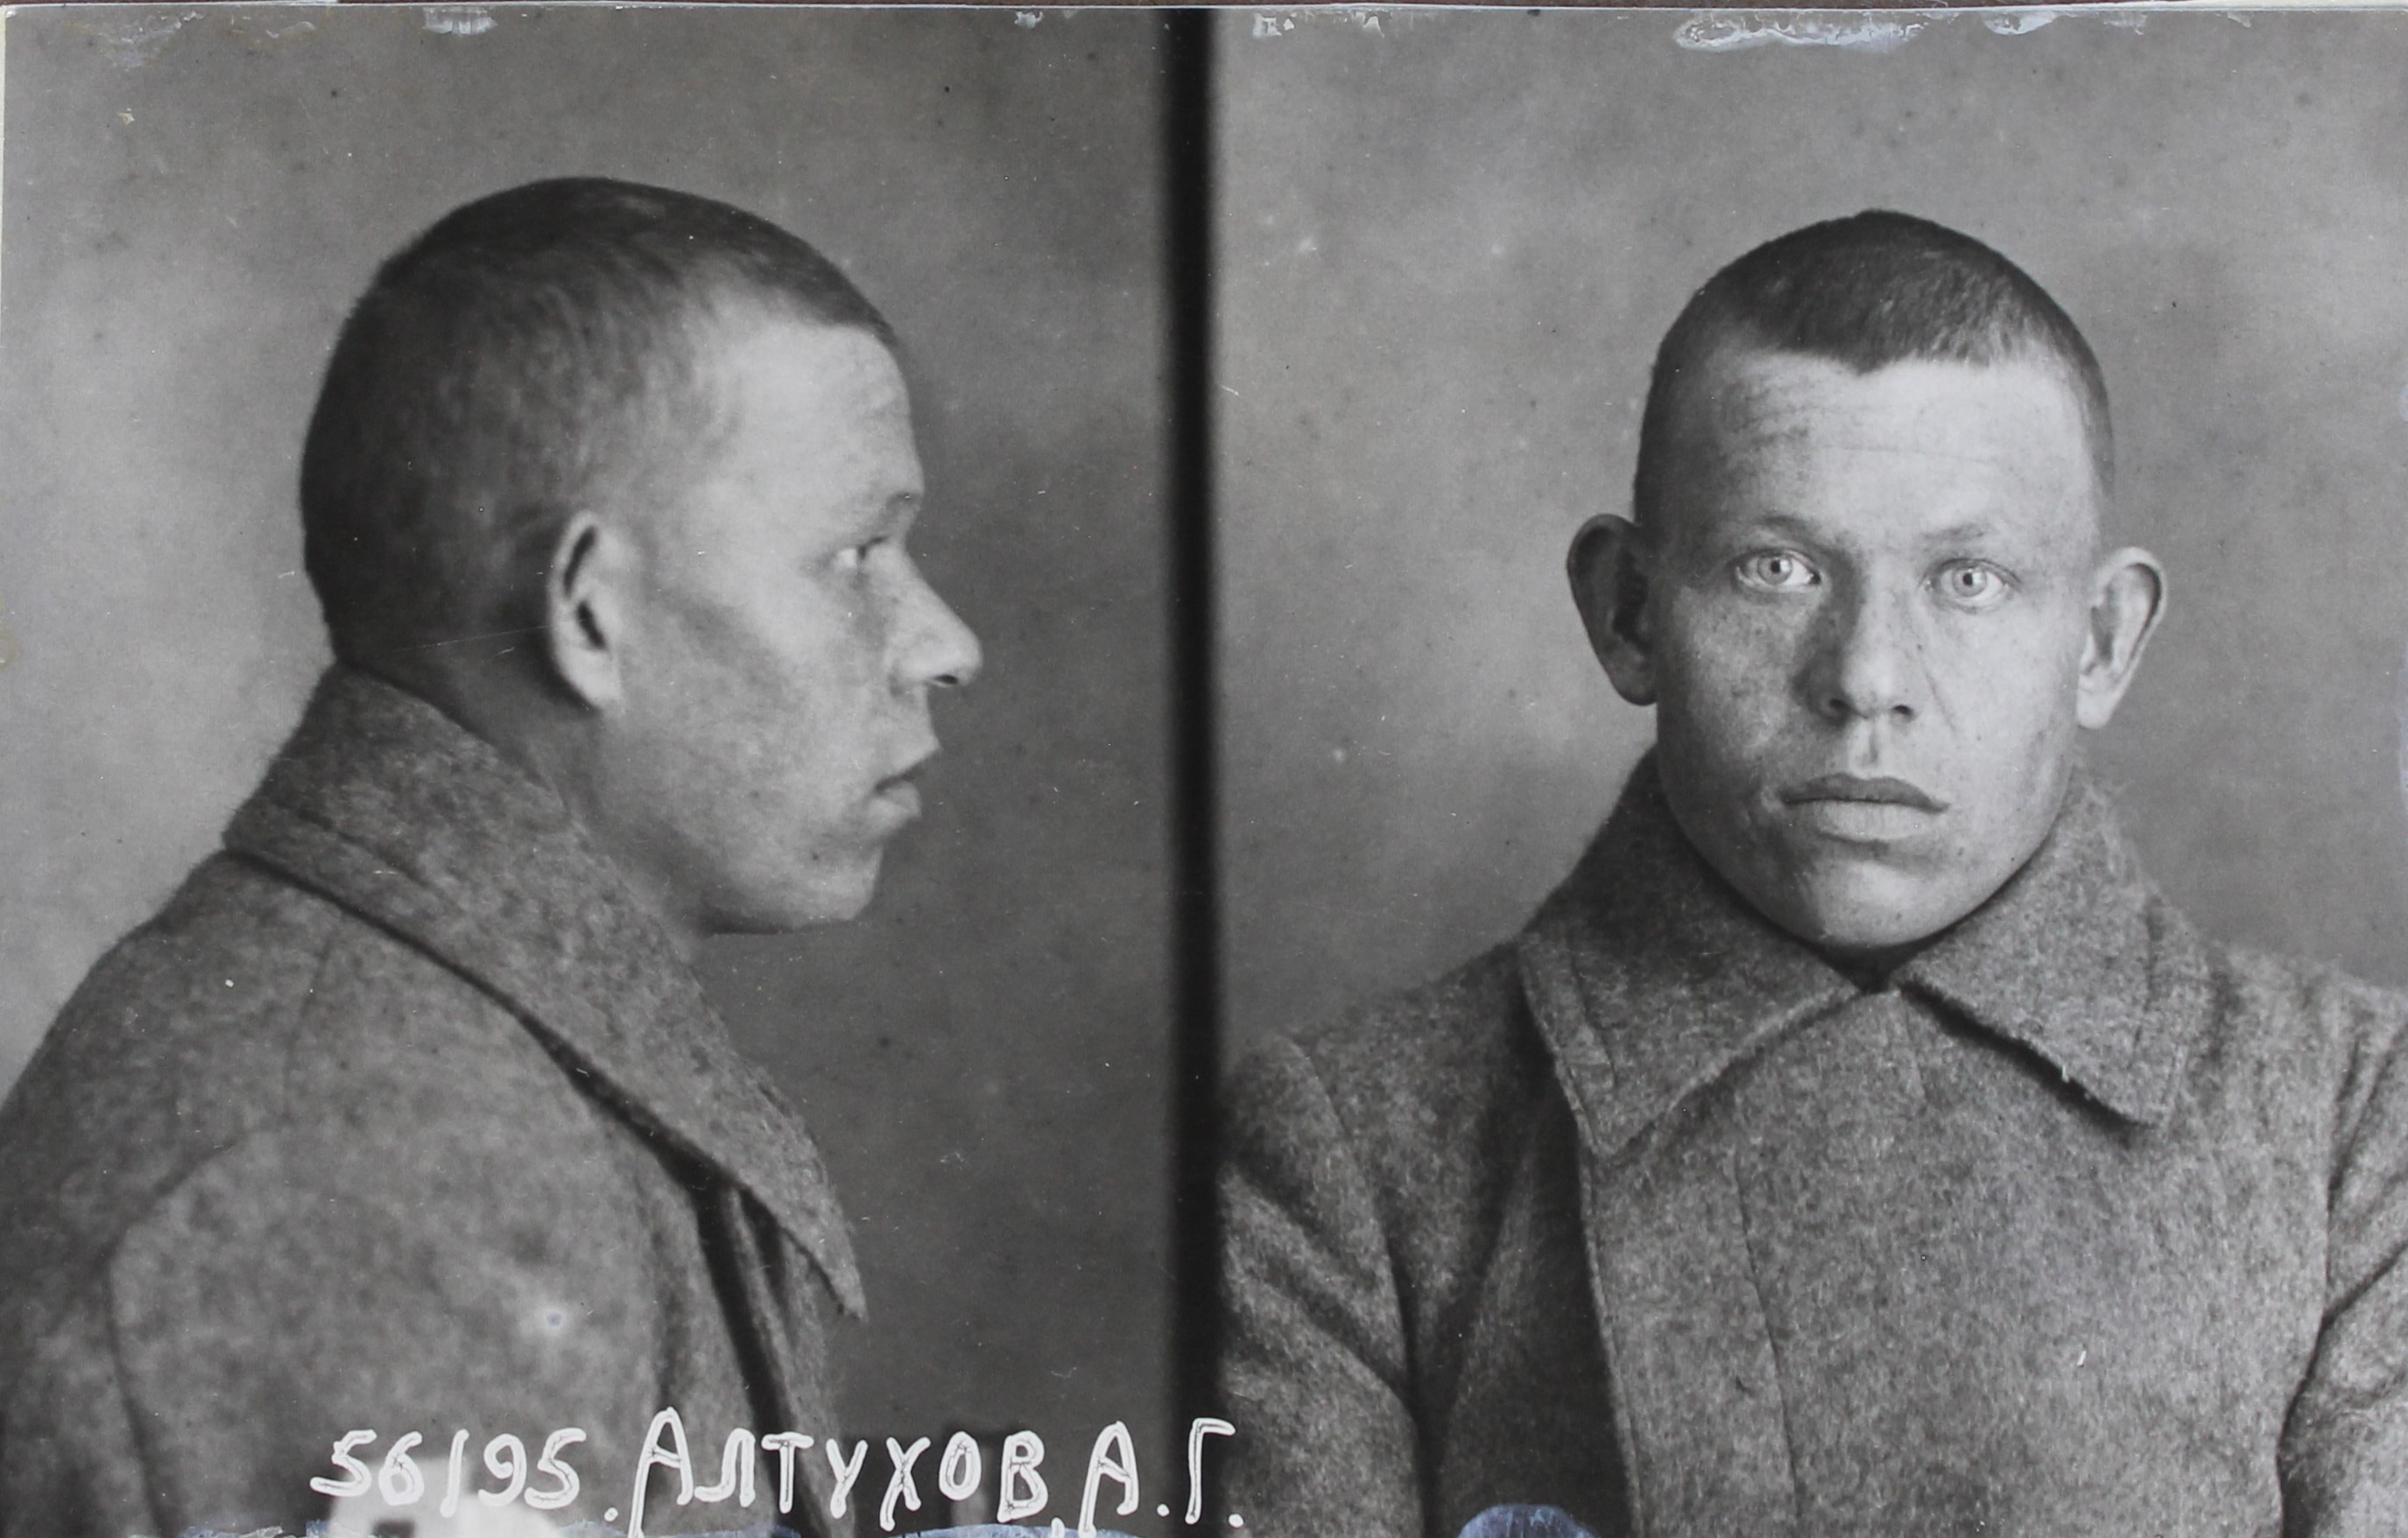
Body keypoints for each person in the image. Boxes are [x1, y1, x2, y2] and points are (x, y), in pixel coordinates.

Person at [1215, 210, 2408, 1536]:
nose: (1866, 678)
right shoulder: (1352, 1151)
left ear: (2101, 641)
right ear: (1629, 612)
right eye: (1775, 568)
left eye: (1968, 579)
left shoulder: (2356, 1121)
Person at [0, 177, 981, 1538]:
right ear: (588, 615)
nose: (943, 643)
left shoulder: (422, 1059)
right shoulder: (381, 1172)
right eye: (856, 552)